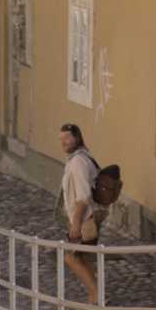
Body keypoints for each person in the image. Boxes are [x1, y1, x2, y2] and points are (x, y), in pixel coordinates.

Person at [57, 122, 101, 294]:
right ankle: (95, 296)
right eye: (61, 139)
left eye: (67, 138)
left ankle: (96, 296)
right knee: (81, 257)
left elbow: (83, 197)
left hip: (85, 220)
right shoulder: (80, 157)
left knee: (72, 258)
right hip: (86, 218)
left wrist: (76, 223)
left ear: (76, 138)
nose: (63, 142)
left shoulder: (78, 162)